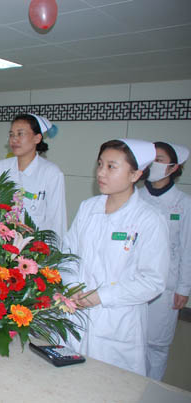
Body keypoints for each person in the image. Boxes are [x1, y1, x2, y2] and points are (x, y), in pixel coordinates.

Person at [61, 138, 169, 376]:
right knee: (70, 382)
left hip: (117, 322)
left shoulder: (149, 220)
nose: (101, 172)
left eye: (111, 167)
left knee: (111, 385)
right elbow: (67, 255)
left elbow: (153, 281)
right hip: (76, 313)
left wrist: (102, 296)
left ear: (135, 174)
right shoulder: (88, 208)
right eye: (100, 164)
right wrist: (71, 286)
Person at [140, 142, 191, 380]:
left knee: (156, 346)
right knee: (133, 340)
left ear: (173, 168)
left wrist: (184, 288)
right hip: (134, 279)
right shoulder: (136, 196)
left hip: (165, 286)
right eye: (151, 159)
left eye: (159, 160)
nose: (153, 164)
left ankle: (152, 387)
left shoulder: (183, 203)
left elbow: (187, 248)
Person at [0, 114, 67, 241]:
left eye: (20, 134)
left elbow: (57, 221)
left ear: (37, 138)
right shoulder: (0, 168)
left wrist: (54, 251)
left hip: (36, 247)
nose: (14, 139)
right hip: (2, 245)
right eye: (11, 134)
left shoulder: (51, 173)